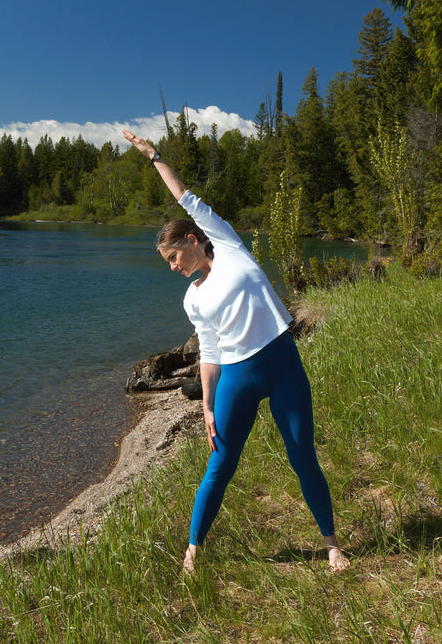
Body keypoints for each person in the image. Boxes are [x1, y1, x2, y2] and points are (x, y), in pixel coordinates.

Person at [122, 130, 350, 574]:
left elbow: (185, 197)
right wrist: (207, 407)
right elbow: (209, 352)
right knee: (221, 464)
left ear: (192, 239)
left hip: (283, 365)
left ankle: (332, 546)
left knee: (303, 456)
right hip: (237, 378)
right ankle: (193, 554)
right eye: (168, 263)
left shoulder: (227, 245)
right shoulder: (193, 298)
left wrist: (154, 156)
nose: (173, 267)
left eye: (173, 258)